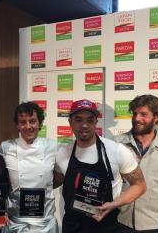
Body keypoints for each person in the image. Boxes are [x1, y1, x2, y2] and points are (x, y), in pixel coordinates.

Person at [56, 99, 146, 233]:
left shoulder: (116, 151)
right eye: (78, 119)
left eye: (90, 120)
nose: (84, 125)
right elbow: (50, 182)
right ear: (70, 122)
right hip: (73, 227)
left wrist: (114, 204)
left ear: (96, 122)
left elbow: (140, 185)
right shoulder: (62, 154)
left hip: (106, 226)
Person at [114, 94, 158, 233]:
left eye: (143, 114)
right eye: (135, 113)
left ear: (157, 117)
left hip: (157, 225)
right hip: (121, 221)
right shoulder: (116, 144)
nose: (137, 119)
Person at [0, 101, 60, 233]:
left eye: (32, 121)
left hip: (45, 223)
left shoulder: (52, 147)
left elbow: (63, 175)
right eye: (22, 122)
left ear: (40, 123)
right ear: (17, 125)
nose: (28, 126)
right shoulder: (6, 147)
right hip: (15, 222)